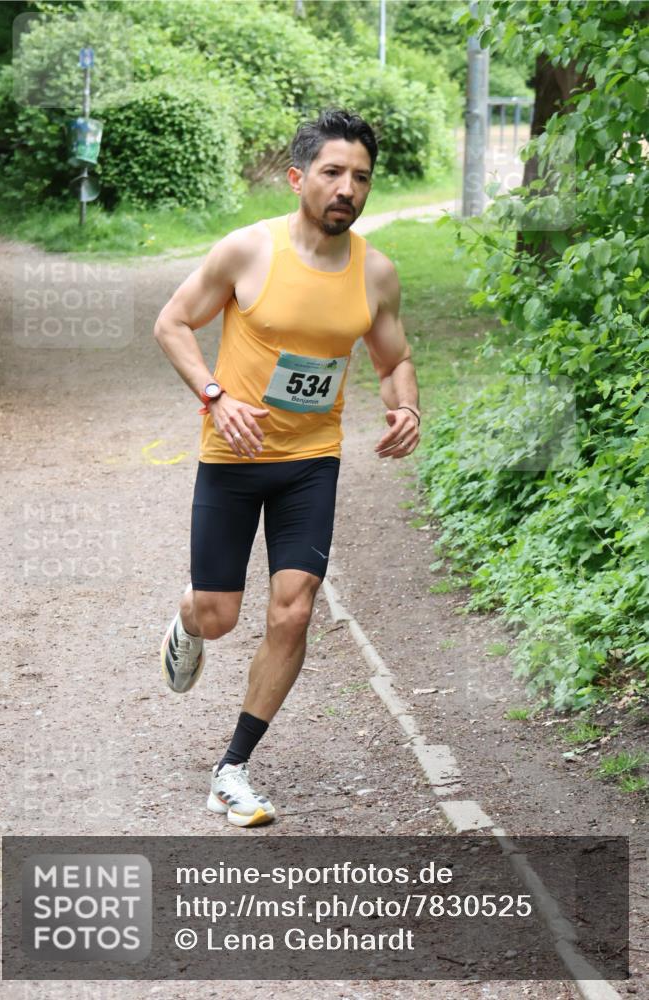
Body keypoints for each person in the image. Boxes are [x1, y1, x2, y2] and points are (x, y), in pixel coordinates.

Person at [153, 108, 420, 828]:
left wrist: (406, 408)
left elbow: (393, 359)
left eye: (360, 177)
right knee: (218, 615)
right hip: (234, 456)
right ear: (298, 177)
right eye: (333, 172)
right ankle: (186, 619)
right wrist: (213, 395)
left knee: (293, 608)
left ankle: (232, 768)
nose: (347, 188)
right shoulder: (247, 251)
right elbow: (172, 322)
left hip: (311, 461)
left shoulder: (377, 274)